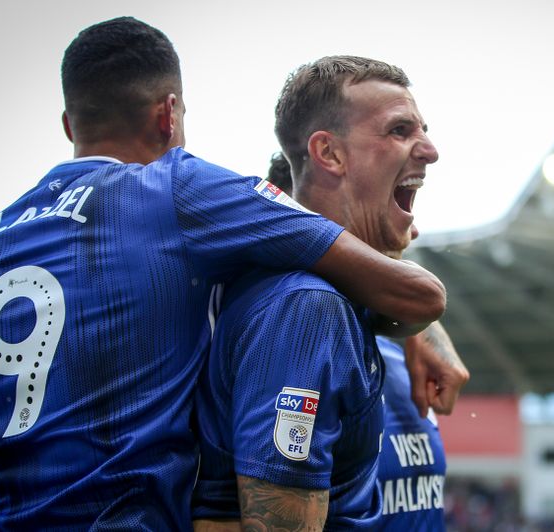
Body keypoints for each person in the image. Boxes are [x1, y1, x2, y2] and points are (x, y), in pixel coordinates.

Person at [0, 18, 454, 530]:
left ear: (68, 125)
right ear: (168, 115)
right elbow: (394, 285)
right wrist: (418, 326)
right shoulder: (175, 190)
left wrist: (404, 333)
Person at [192, 55, 465, 530]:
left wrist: (420, 329)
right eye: (399, 130)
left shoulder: (355, 311)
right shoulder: (305, 309)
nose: (430, 150)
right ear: (329, 154)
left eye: (423, 130)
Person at [266, 152, 451, 529]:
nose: (412, 231)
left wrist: (423, 326)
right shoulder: (284, 350)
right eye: (382, 207)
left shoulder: (398, 358)